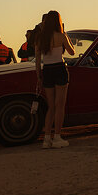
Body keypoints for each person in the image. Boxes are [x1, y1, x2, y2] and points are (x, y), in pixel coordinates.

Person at [35, 11, 75, 148]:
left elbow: (37, 61)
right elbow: (72, 52)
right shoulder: (61, 36)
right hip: (60, 69)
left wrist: (39, 76)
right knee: (60, 106)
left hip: (47, 70)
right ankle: (57, 137)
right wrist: (66, 37)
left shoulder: (40, 38)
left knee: (51, 106)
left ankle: (46, 139)